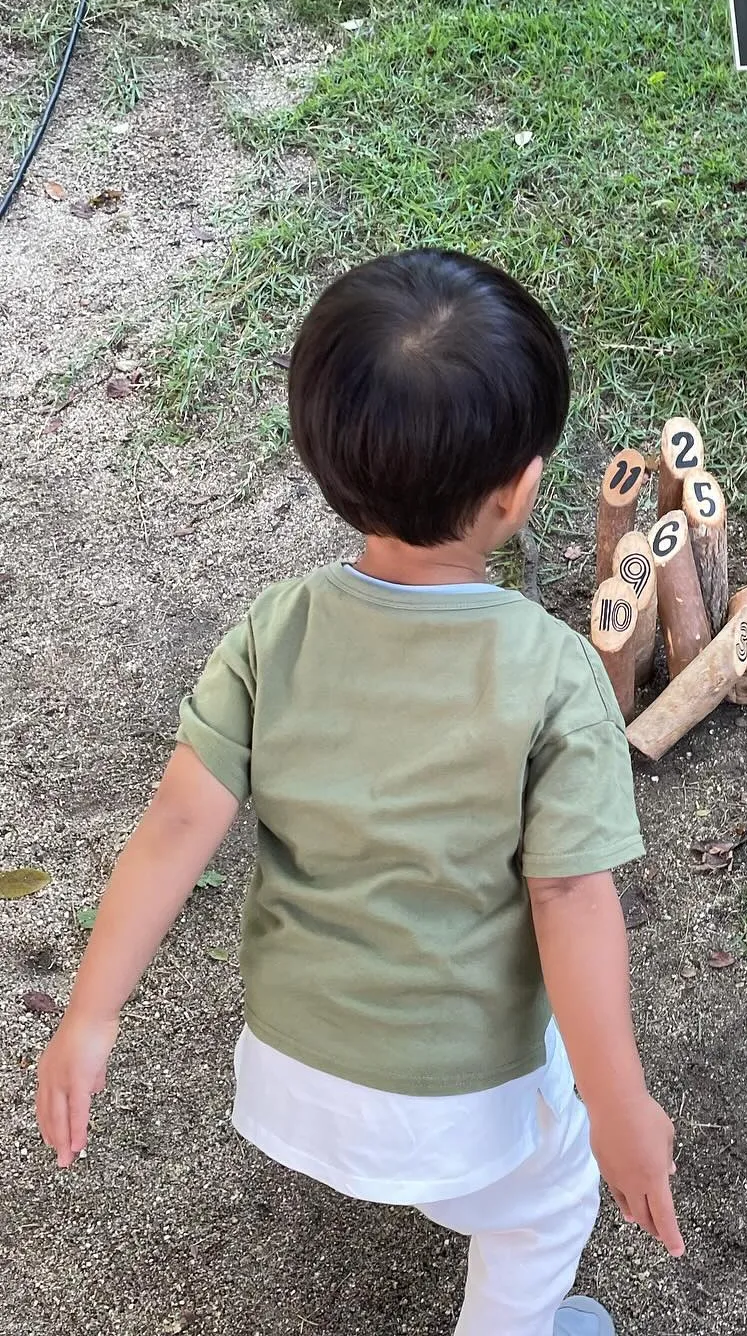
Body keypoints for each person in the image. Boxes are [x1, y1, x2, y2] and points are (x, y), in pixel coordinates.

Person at [34, 249, 683, 1336]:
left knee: (486, 1147)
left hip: (291, 1078)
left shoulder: (272, 631)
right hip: (455, 1109)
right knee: (549, 1198)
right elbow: (568, 902)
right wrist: (621, 1111)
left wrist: (90, 1016)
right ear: (521, 489)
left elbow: (177, 824)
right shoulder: (552, 670)